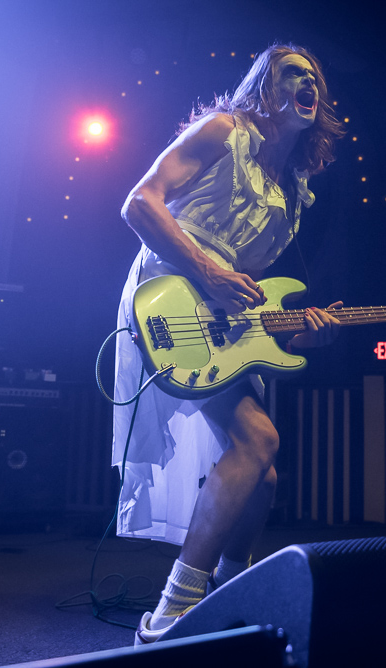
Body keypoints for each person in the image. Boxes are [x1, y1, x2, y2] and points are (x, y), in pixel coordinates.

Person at [112, 43, 346, 644]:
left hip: (222, 322)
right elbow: (140, 202)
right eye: (293, 73)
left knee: (261, 475)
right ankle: (169, 614)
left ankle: (228, 592)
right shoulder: (223, 132)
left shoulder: (295, 191)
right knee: (260, 437)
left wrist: (305, 335)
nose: (308, 82)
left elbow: (255, 297)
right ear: (264, 89)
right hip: (167, 295)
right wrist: (209, 270)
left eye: (314, 77)